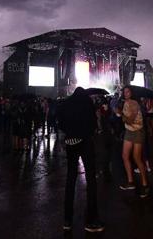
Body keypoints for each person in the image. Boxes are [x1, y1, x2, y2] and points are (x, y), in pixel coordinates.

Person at [57, 87, 104, 233]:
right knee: (91, 179)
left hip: (71, 142)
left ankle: (67, 220)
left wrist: (70, 133)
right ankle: (91, 220)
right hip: (85, 142)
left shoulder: (65, 103)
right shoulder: (87, 102)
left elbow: (60, 123)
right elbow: (93, 124)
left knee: (70, 179)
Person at [118, 87, 151, 197]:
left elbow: (130, 119)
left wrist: (120, 114)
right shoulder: (125, 103)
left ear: (131, 93)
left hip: (137, 131)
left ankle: (145, 184)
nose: (125, 93)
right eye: (124, 92)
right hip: (129, 131)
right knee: (125, 156)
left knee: (137, 158)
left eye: (127, 91)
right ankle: (131, 182)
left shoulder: (134, 103)